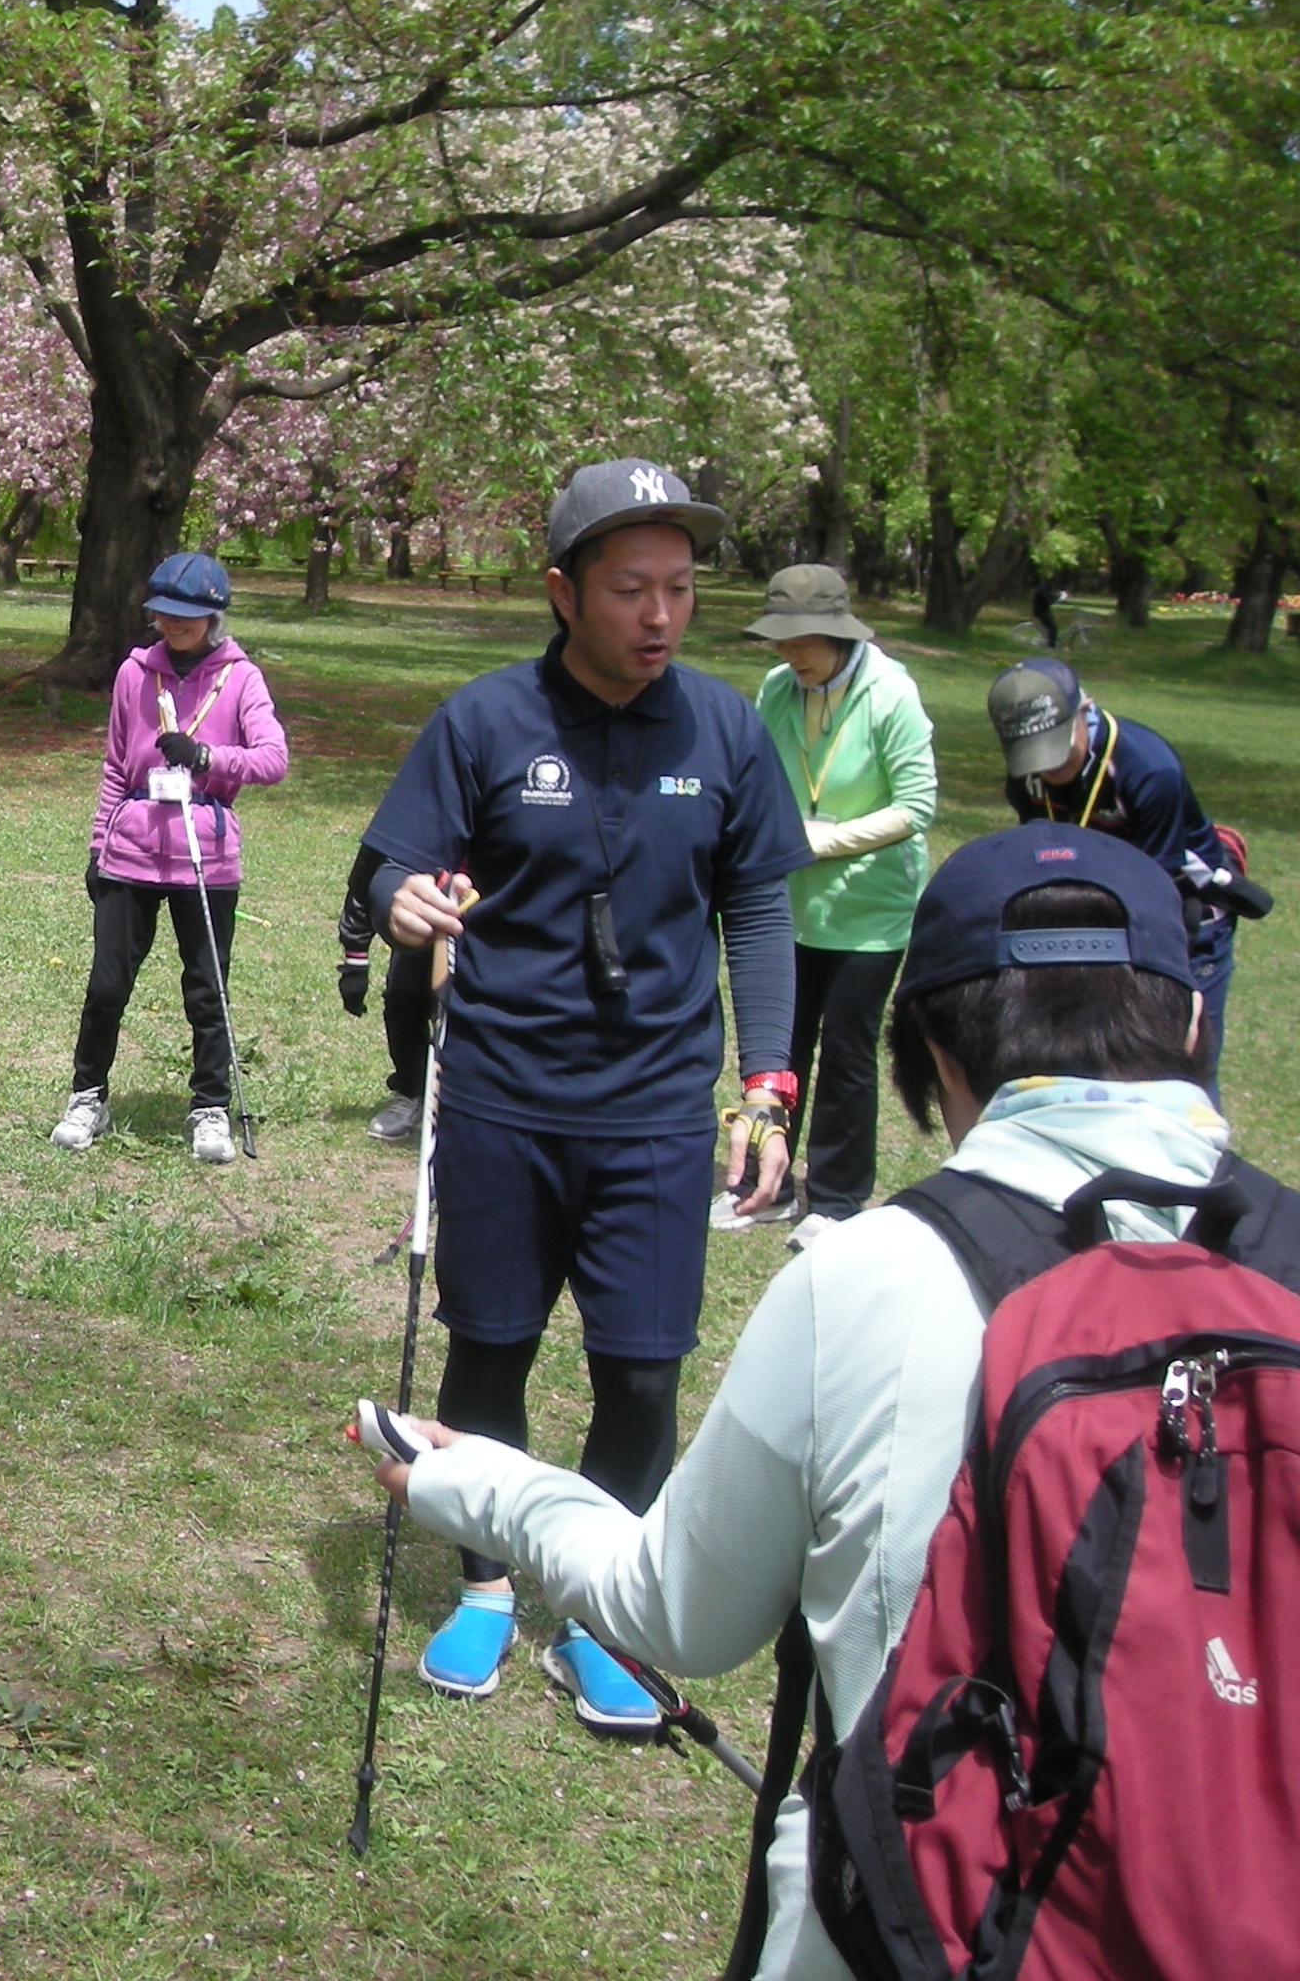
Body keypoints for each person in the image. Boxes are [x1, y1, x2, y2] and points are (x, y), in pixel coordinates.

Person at [351, 822, 1244, 1980]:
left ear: (927, 1047)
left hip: (913, 1924)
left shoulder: (869, 1279)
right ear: (1192, 1022)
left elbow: (680, 1612)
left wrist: (472, 1480)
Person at [360, 458, 810, 1734]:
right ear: (564, 592)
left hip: (659, 1110)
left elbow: (762, 907)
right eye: (630, 590)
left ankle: (602, 1612)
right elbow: (399, 860)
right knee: (488, 1348)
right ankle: (490, 1585)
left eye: (678, 587)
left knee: (645, 1375)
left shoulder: (725, 730)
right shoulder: (487, 721)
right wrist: (404, 901)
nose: (660, 615)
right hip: (505, 1098)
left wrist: (766, 1084)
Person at [50, 552, 289, 1164]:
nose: (174, 625)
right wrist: (99, 845)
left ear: (214, 616)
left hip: (206, 859)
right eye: (164, 614)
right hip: (130, 853)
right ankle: (87, 1093)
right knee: (107, 985)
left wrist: (208, 757)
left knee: (207, 990)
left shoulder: (242, 678)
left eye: (189, 615)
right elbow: (113, 764)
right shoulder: (135, 673)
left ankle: (210, 1106)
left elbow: (272, 760)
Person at [738, 565, 936, 1244]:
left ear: (835, 633)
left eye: (799, 642)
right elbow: (756, 774)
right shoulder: (777, 688)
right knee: (780, 1046)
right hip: (790, 901)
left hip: (869, 911)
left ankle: (836, 1200)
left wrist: (824, 840)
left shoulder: (891, 695)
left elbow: (917, 806)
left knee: (847, 1052)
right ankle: (763, 1185)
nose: (787, 653)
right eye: (779, 641)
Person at [989, 653, 1247, 1091]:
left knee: (1178, 1069)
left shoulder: (1149, 769)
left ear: (1084, 710)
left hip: (1182, 916)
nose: (1048, 769)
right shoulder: (1027, 776)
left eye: (1055, 746)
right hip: (1094, 917)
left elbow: (1156, 891)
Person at [339, 839, 435, 1145]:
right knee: (403, 998)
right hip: (422, 912)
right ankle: (410, 1091)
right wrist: (355, 961)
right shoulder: (415, 807)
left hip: (494, 913)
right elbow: (364, 879)